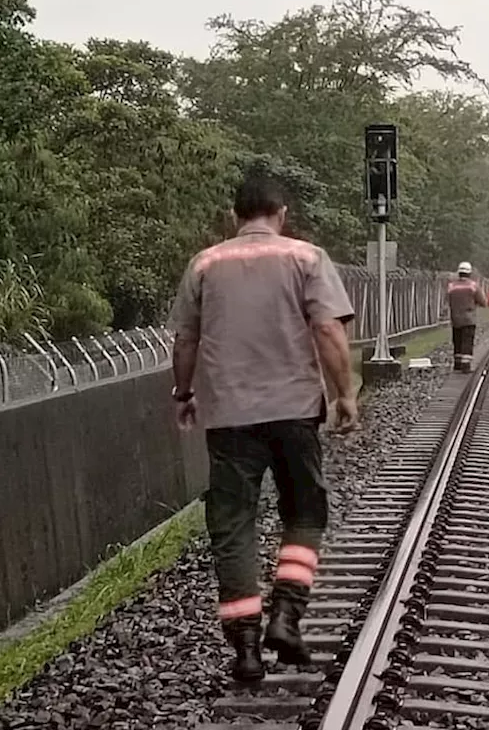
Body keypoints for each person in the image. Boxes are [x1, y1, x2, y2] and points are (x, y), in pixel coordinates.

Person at [167, 174, 359, 684]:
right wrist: (345, 393)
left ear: (236, 216)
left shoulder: (205, 263)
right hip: (294, 409)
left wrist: (184, 394)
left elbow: (185, 339)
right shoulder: (306, 257)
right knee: (305, 511)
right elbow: (327, 328)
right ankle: (286, 616)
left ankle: (246, 649)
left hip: (228, 416)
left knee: (232, 524)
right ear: (282, 212)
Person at [447, 262, 487, 372]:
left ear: (459, 273)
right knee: (467, 340)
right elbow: (483, 302)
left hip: (455, 318)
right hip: (469, 318)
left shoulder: (451, 286)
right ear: (469, 273)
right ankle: (466, 364)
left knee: (457, 340)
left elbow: (449, 301)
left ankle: (457, 364)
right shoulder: (473, 285)